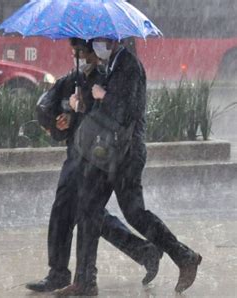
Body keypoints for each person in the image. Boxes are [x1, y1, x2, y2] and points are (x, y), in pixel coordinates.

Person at [55, 38, 202, 296]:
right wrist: (83, 103)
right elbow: (106, 113)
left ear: (113, 40)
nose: (97, 46)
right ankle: (85, 281)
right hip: (108, 154)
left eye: (101, 41)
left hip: (127, 154)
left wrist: (104, 95)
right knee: (88, 210)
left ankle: (183, 255)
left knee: (135, 213)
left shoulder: (129, 65)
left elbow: (128, 111)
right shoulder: (110, 65)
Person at [25, 38, 162, 293]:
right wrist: (60, 121)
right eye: (75, 53)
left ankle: (78, 273)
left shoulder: (108, 76)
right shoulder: (71, 80)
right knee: (70, 210)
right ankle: (61, 272)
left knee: (87, 214)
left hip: (95, 156)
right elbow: (50, 110)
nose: (81, 58)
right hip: (75, 155)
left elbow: (112, 115)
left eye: (83, 52)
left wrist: (84, 106)